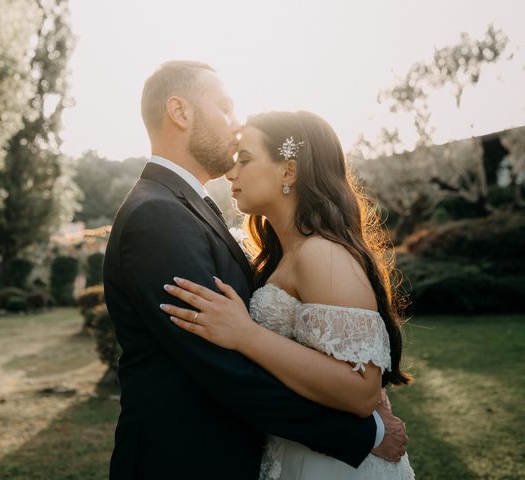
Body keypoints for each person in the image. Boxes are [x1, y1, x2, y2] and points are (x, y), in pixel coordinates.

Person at [103, 61, 407, 480]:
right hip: (183, 463)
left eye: (246, 159)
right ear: (180, 112)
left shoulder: (180, 208)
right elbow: (222, 368)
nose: (235, 122)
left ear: (288, 170)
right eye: (225, 107)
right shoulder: (158, 214)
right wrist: (363, 434)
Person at [160, 109, 415, 479]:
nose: (231, 174)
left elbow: (362, 391)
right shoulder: (284, 255)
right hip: (294, 452)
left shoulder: (322, 255)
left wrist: (246, 335)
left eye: (244, 160)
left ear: (289, 171)